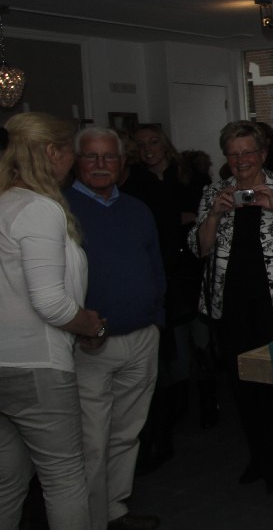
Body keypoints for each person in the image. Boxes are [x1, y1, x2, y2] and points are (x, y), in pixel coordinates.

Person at [188, 120, 273, 492]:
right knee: (242, 387)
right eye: (233, 154)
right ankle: (260, 457)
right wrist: (214, 215)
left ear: (263, 153)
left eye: (248, 152)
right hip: (230, 305)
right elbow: (199, 248)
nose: (241, 160)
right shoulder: (214, 192)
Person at [0, 113, 103, 530]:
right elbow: (51, 303)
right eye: (72, 152)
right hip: (36, 366)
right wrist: (91, 326)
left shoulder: (4, 203)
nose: (74, 162)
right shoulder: (38, 208)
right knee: (64, 480)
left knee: (7, 482)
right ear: (51, 152)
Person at [65, 127, 165, 530]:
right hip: (90, 344)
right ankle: (90, 520)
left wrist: (157, 319)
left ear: (123, 164)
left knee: (127, 433)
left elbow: (156, 268)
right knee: (91, 440)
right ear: (76, 161)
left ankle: (115, 509)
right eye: (91, 156)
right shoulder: (61, 209)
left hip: (142, 337)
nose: (100, 164)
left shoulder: (138, 209)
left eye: (109, 157)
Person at [123, 124, 210, 468]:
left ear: (165, 145)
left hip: (194, 270)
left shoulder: (189, 176)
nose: (148, 148)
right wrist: (178, 219)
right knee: (173, 347)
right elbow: (154, 226)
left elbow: (204, 219)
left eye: (154, 142)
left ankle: (208, 404)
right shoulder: (134, 183)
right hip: (163, 272)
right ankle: (177, 409)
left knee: (202, 339)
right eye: (141, 143)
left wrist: (183, 220)